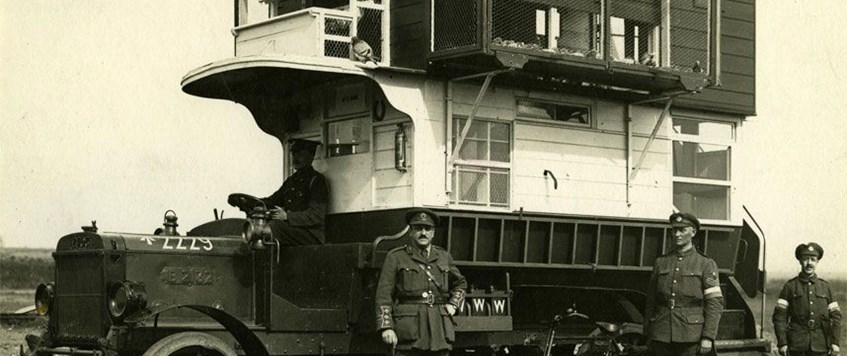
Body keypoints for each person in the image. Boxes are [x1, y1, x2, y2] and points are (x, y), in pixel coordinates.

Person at [375, 208, 467, 356]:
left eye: (428, 229)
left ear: (433, 232)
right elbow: (384, 294)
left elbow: (461, 284)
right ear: (411, 231)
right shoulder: (396, 256)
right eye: (418, 228)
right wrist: (386, 327)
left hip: (439, 329)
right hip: (410, 331)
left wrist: (453, 305)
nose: (423, 232)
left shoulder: (444, 256)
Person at [644, 212, 724, 356]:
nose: (677, 234)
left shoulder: (705, 264)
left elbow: (714, 303)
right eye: (674, 230)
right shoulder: (661, 262)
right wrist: (648, 331)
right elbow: (651, 300)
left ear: (693, 232)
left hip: (690, 335)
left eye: (682, 230)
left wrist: (708, 337)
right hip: (661, 333)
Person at [773, 242, 841, 356]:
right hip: (796, 345)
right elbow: (779, 317)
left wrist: (835, 342)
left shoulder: (826, 287)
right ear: (800, 261)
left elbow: (836, 317)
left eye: (813, 259)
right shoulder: (790, 286)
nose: (809, 263)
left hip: (821, 345)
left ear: (817, 262)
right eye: (805, 259)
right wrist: (782, 343)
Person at [260, 138, 328, 246]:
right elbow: (272, 201)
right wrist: (251, 202)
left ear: (311, 156)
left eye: (300, 154)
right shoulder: (291, 181)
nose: (295, 158)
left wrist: (287, 216)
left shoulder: (317, 180)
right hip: (294, 231)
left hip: (311, 235)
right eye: (294, 154)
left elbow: (316, 215)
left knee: (274, 227)